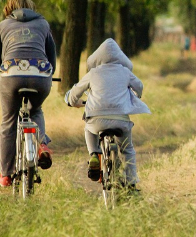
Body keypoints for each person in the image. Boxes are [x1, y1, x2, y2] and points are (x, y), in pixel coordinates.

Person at [64, 38, 150, 191]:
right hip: (120, 120)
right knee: (127, 149)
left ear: (97, 58)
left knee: (88, 128)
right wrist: (135, 95)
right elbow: (139, 87)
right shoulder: (125, 72)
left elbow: (74, 93)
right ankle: (131, 182)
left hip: (96, 119)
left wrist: (71, 101)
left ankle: (94, 154)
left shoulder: (93, 73)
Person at [0, 0, 56, 188]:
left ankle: (6, 174)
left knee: (9, 121)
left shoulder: (2, 26)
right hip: (40, 75)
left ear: (9, 8)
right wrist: (48, 74)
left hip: (11, 75)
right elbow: (51, 54)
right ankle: (41, 144)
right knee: (35, 110)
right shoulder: (43, 24)